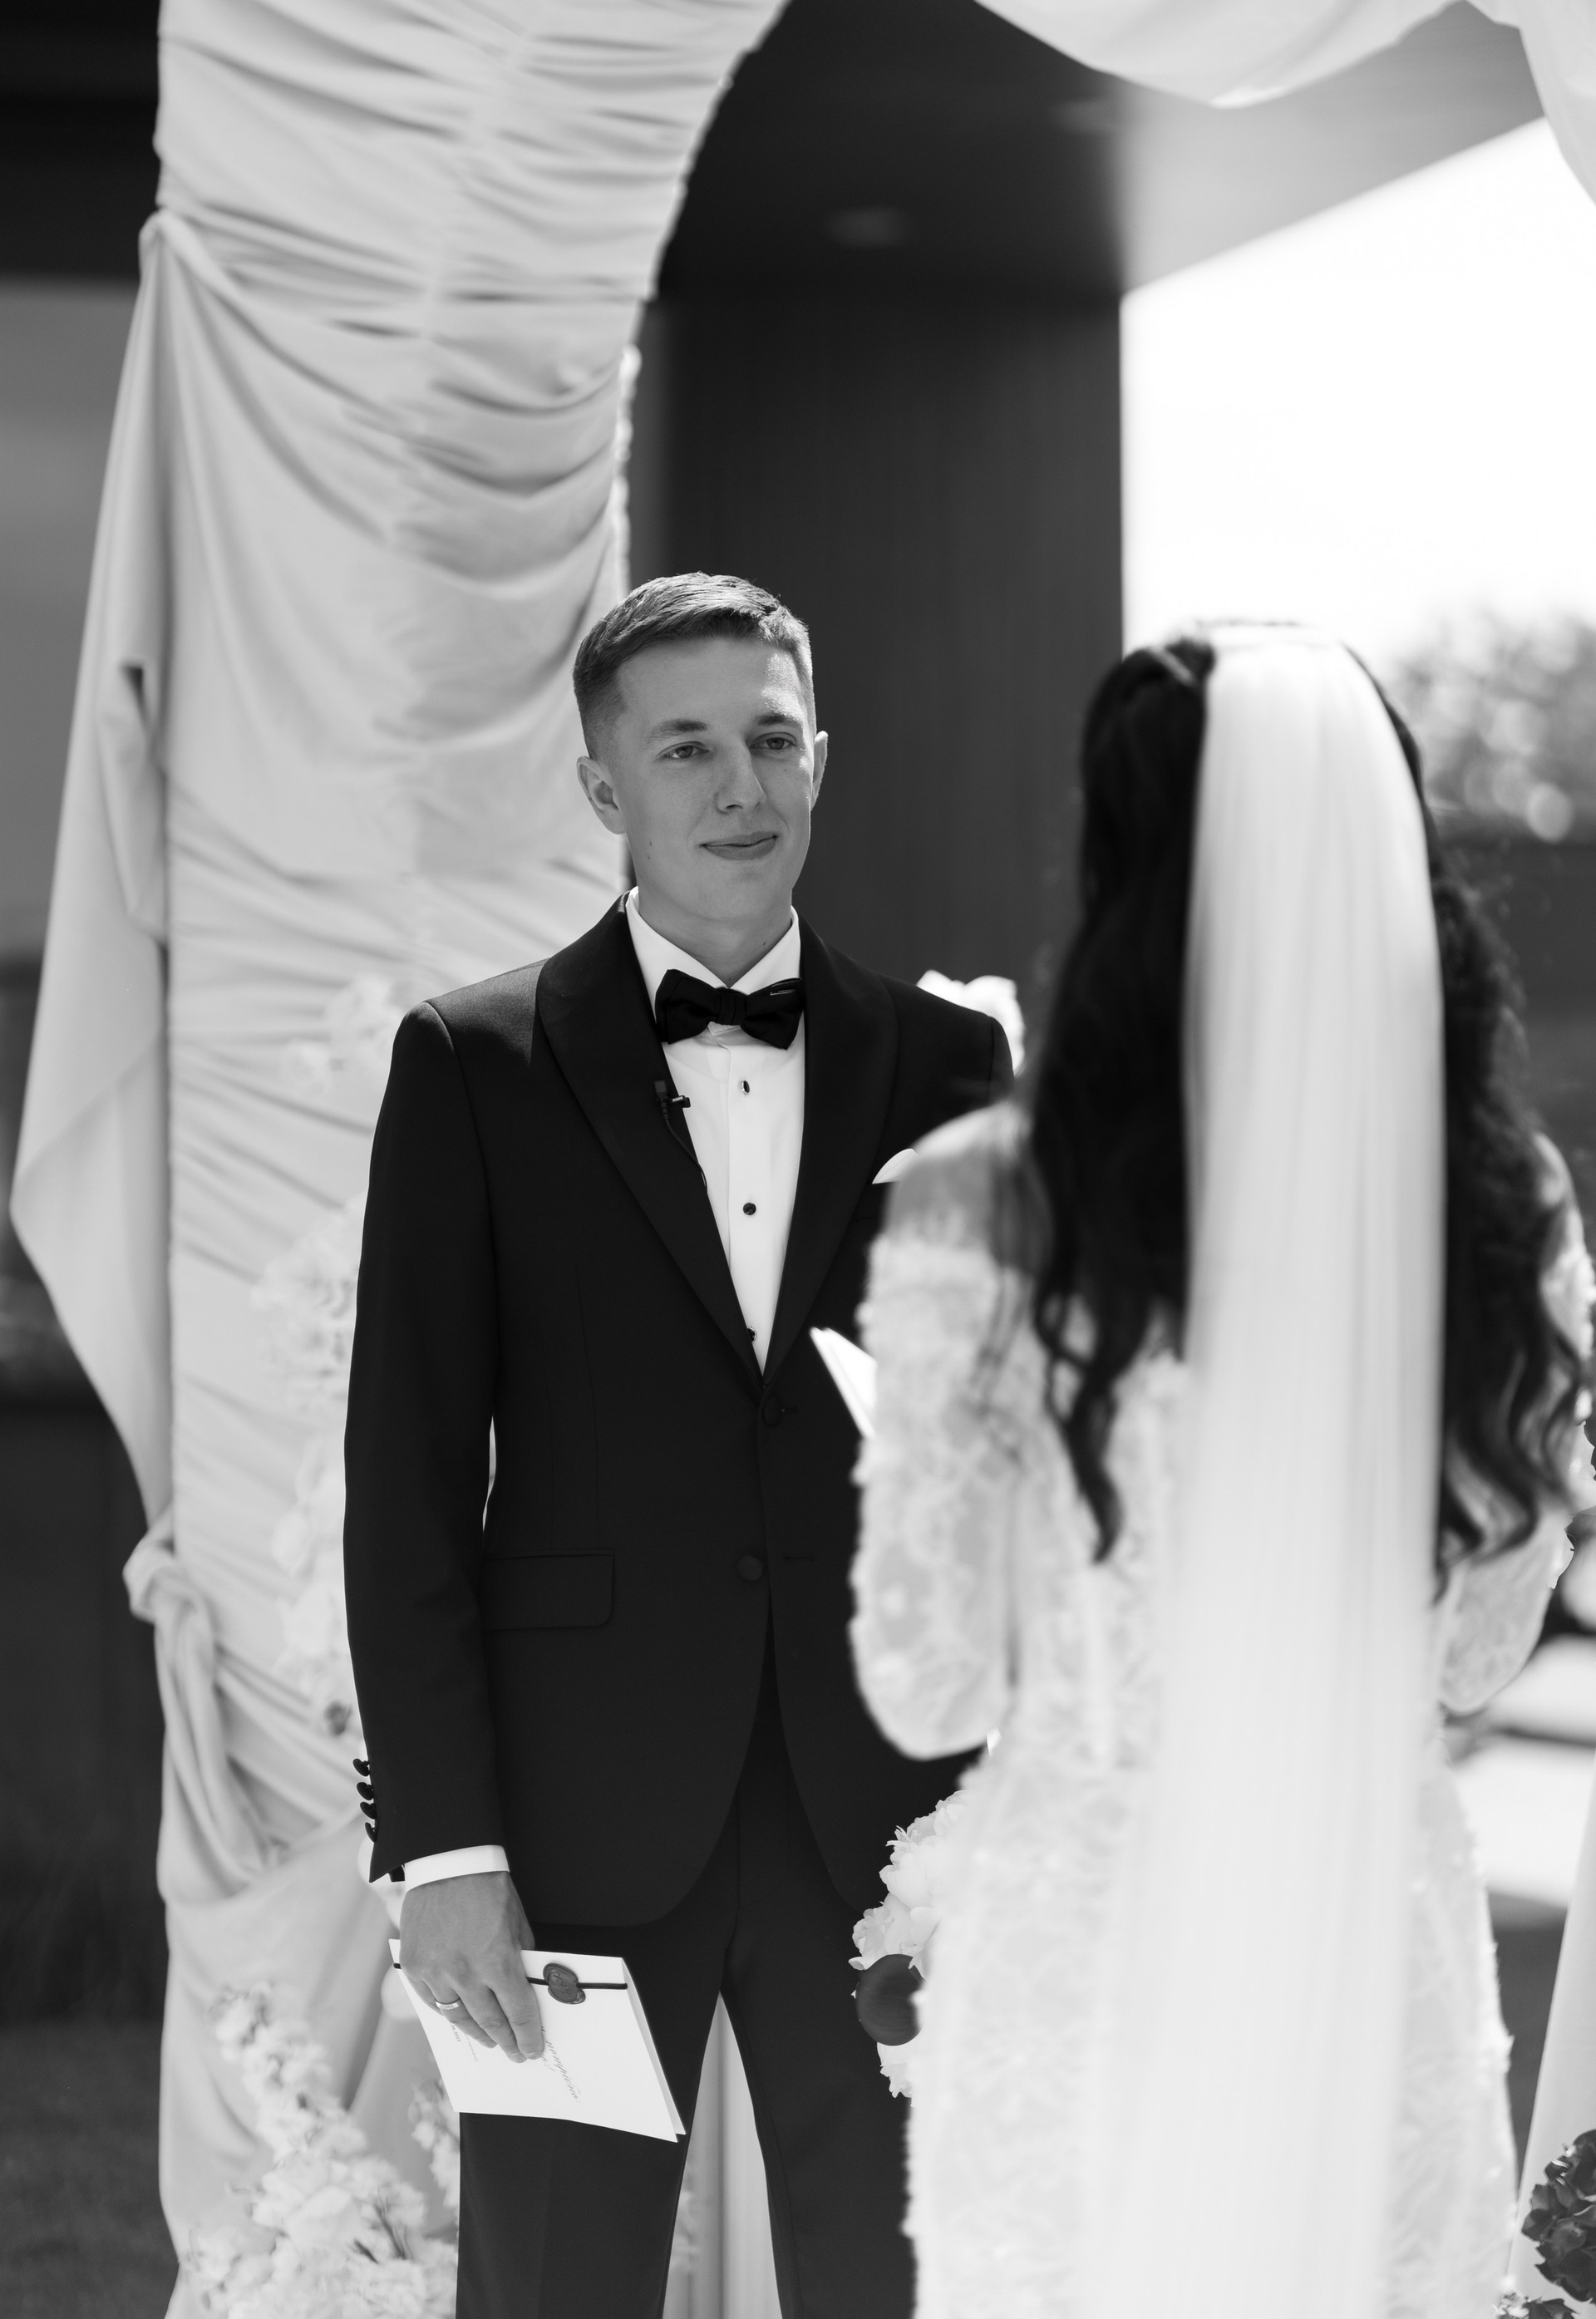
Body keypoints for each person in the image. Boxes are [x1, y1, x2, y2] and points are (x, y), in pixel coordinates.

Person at [849, 628, 1596, 2319]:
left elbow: (927, 1676)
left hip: (1085, 1966)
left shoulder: (983, 1202)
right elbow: (1481, 1656)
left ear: (1123, 865)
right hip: (1368, 1962)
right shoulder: (1504, 1211)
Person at [342, 571, 1011, 2318]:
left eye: (773, 740)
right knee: (556, 2287)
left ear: (822, 759)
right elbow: (407, 1489)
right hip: (572, 1818)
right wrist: (448, 1852)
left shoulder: (951, 1068)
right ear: (602, 785)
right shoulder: (471, 1064)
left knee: (912, 2282)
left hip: (886, 1821)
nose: (740, 788)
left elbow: (1009, 1467)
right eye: (687, 748)